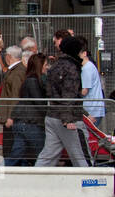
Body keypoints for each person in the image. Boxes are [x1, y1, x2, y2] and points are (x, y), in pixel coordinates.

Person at [36, 36, 93, 167]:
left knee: (48, 155)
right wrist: (68, 119)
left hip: (52, 115)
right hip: (69, 117)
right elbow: (69, 95)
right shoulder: (72, 68)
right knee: (81, 155)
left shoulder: (55, 66)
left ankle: (36, 179)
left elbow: (51, 92)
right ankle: (90, 182)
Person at [8, 53, 48, 166]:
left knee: (17, 153)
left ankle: (0, 172)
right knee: (43, 153)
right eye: (45, 64)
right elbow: (39, 102)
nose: (47, 67)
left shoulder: (29, 80)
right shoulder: (33, 81)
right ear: (39, 66)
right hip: (31, 122)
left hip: (22, 121)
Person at [0, 45, 25, 161]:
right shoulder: (15, 70)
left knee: (11, 145)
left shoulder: (17, 72)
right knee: (10, 144)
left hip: (11, 116)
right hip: (10, 114)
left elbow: (15, 95)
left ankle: (10, 165)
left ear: (9, 56)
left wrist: (11, 117)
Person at [79, 46, 108, 133]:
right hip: (93, 109)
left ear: (84, 54)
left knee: (88, 137)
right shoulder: (89, 67)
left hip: (92, 111)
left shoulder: (87, 69)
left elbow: (84, 91)